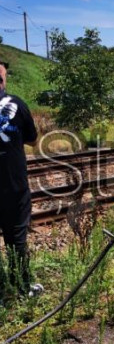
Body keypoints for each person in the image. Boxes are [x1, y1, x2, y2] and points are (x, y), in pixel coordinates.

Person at [0, 59, 43, 301]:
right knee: (16, 238)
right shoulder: (16, 103)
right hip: (12, 184)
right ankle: (22, 287)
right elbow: (32, 139)